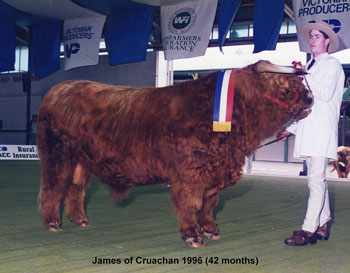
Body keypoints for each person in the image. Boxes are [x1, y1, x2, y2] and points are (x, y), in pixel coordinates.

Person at [278, 21, 345, 246]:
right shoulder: (313, 67)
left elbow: (324, 95)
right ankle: (324, 222)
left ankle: (308, 230)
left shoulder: (332, 65)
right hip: (310, 131)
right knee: (315, 181)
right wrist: (291, 128)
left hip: (321, 133)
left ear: (327, 41)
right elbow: (309, 106)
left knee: (316, 181)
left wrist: (304, 74)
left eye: (318, 36)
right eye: (311, 36)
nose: (313, 39)